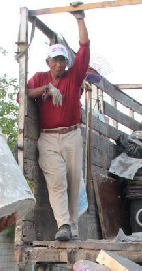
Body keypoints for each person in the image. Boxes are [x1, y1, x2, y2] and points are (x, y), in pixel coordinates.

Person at [26, 10, 89, 242]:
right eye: (55, 60)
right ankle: (63, 224)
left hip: (72, 135)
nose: (59, 64)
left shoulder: (73, 76)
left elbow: (84, 47)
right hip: (49, 137)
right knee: (57, 181)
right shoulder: (40, 78)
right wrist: (46, 89)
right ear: (48, 62)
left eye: (62, 60)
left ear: (66, 63)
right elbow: (23, 94)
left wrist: (80, 19)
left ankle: (73, 227)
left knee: (73, 183)